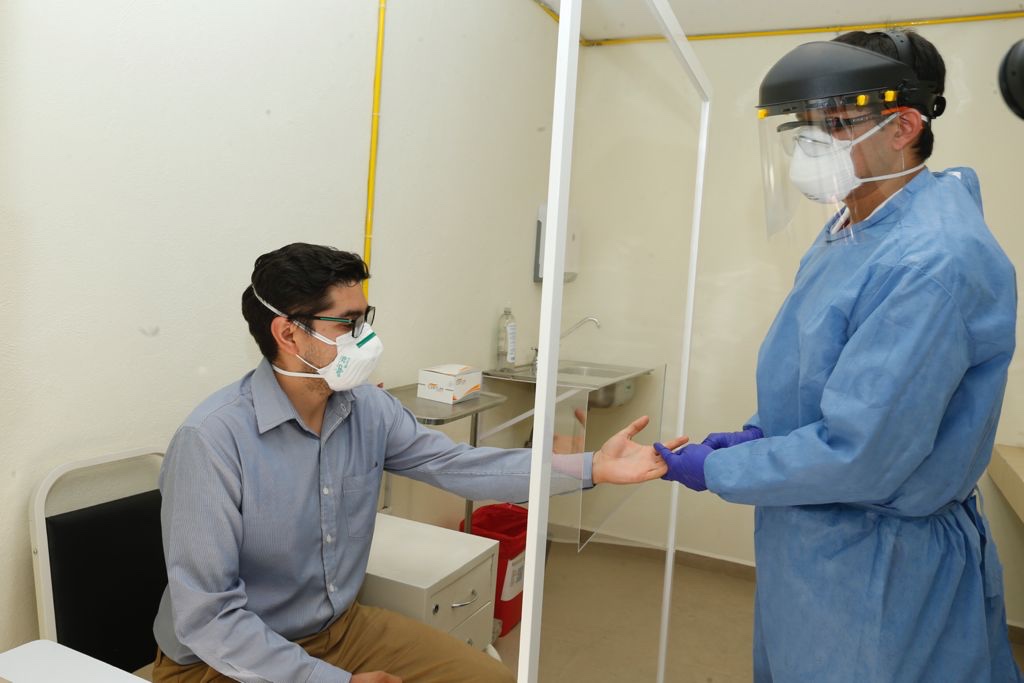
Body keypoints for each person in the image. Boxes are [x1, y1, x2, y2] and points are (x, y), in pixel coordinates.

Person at [656, 30, 1021, 682]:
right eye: (805, 125)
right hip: (818, 539)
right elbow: (821, 373)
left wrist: (722, 467)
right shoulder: (855, 226)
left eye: (836, 123)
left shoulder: (930, 259)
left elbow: (864, 453)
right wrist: (761, 434)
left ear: (903, 126)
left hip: (881, 563)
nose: (813, 143)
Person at [152, 242, 683, 683]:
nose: (366, 339)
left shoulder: (367, 409)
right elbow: (209, 617)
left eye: (366, 319)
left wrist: (591, 467)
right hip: (222, 659)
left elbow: (461, 466)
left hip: (337, 632)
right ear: (289, 333)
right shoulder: (212, 441)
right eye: (348, 324)